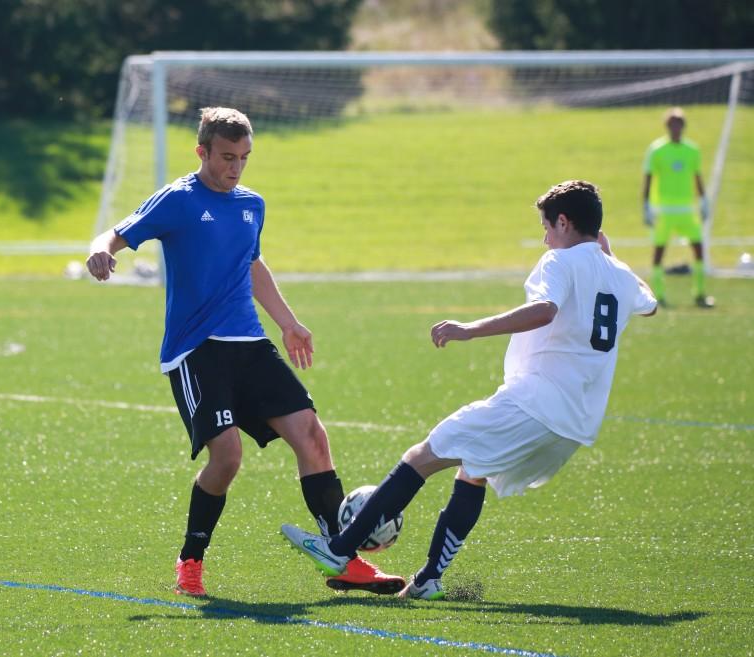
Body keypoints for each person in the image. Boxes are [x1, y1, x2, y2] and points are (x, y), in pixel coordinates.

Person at [282, 180, 658, 600]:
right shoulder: (619, 273)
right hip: (576, 425)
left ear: (565, 223)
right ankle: (427, 580)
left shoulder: (559, 262)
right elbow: (651, 302)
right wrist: (610, 256)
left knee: (421, 456)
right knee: (472, 471)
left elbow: (545, 309)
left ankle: (339, 549)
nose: (545, 237)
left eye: (547, 227)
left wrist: (470, 329)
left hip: (535, 403)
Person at [86, 107, 403, 597]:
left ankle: (342, 555)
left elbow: (251, 263)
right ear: (203, 152)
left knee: (312, 435)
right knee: (227, 456)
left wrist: (289, 323)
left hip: (250, 342)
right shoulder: (178, 199)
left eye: (244, 158)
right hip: (196, 349)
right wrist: (101, 250)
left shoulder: (252, 203)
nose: (236, 167)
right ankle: (190, 560)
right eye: (227, 157)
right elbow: (117, 232)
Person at [643, 107, 714, 308]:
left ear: (683, 126)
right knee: (658, 252)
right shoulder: (657, 150)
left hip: (686, 210)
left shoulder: (692, 150)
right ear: (667, 126)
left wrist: (703, 201)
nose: (675, 127)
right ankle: (657, 295)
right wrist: (646, 205)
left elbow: (697, 177)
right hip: (663, 211)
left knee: (699, 249)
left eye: (679, 123)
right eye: (672, 123)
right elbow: (648, 178)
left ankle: (700, 294)